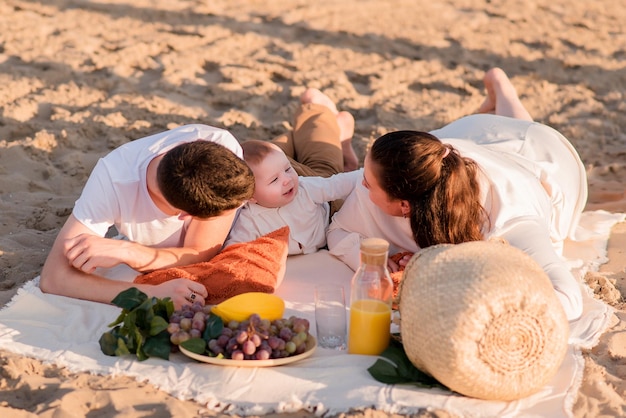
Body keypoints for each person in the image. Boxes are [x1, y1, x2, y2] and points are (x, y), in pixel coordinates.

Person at [40, 88, 359, 309]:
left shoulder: (219, 146)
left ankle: (319, 113)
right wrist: (148, 292)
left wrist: (128, 250)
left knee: (321, 169)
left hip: (275, 186)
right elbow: (54, 278)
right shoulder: (111, 181)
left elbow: (199, 252)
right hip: (263, 178)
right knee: (275, 158)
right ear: (184, 216)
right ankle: (299, 134)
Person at [327, 68, 586, 321]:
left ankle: (504, 93)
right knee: (507, 130)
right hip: (469, 136)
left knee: (524, 130)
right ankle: (499, 90)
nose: (360, 185)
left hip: (541, 154)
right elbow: (337, 230)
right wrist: (368, 259)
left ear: (404, 205)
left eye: (369, 183)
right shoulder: (394, 178)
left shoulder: (510, 221)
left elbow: (568, 300)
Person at [224, 139, 361, 255]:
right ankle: (288, 141)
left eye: (288, 169)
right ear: (250, 196)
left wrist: (365, 175)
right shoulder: (249, 221)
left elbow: (337, 185)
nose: (287, 179)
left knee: (325, 167)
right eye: (274, 180)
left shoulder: (304, 188)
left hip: (329, 211)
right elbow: (233, 250)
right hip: (308, 265)